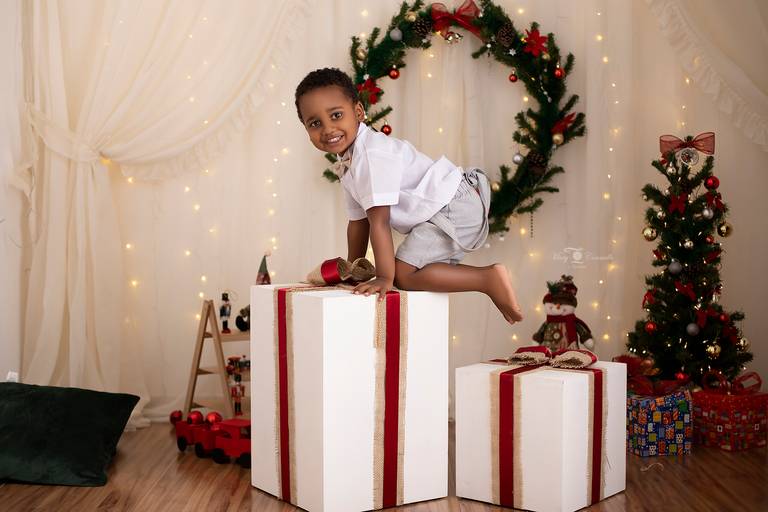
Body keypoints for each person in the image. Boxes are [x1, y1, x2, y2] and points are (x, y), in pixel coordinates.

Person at [294, 67, 523, 324]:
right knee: (414, 270)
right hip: (442, 209)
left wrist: (384, 278)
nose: (327, 129)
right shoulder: (349, 161)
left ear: (358, 112)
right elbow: (357, 222)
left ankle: (487, 279)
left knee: (402, 274)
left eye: (336, 115)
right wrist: (353, 269)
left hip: (453, 205)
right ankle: (485, 279)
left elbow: (378, 222)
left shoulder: (371, 155)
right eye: (315, 123)